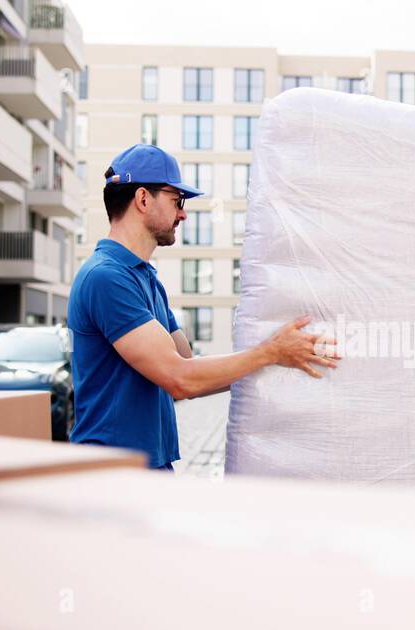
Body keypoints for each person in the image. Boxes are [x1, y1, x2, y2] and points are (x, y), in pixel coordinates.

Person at [66, 144, 338, 471]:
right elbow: (181, 380)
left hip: (149, 468)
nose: (183, 213)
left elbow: (188, 365)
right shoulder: (106, 278)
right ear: (142, 199)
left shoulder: (144, 278)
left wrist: (278, 358)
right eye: (176, 200)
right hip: (113, 476)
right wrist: (271, 352)